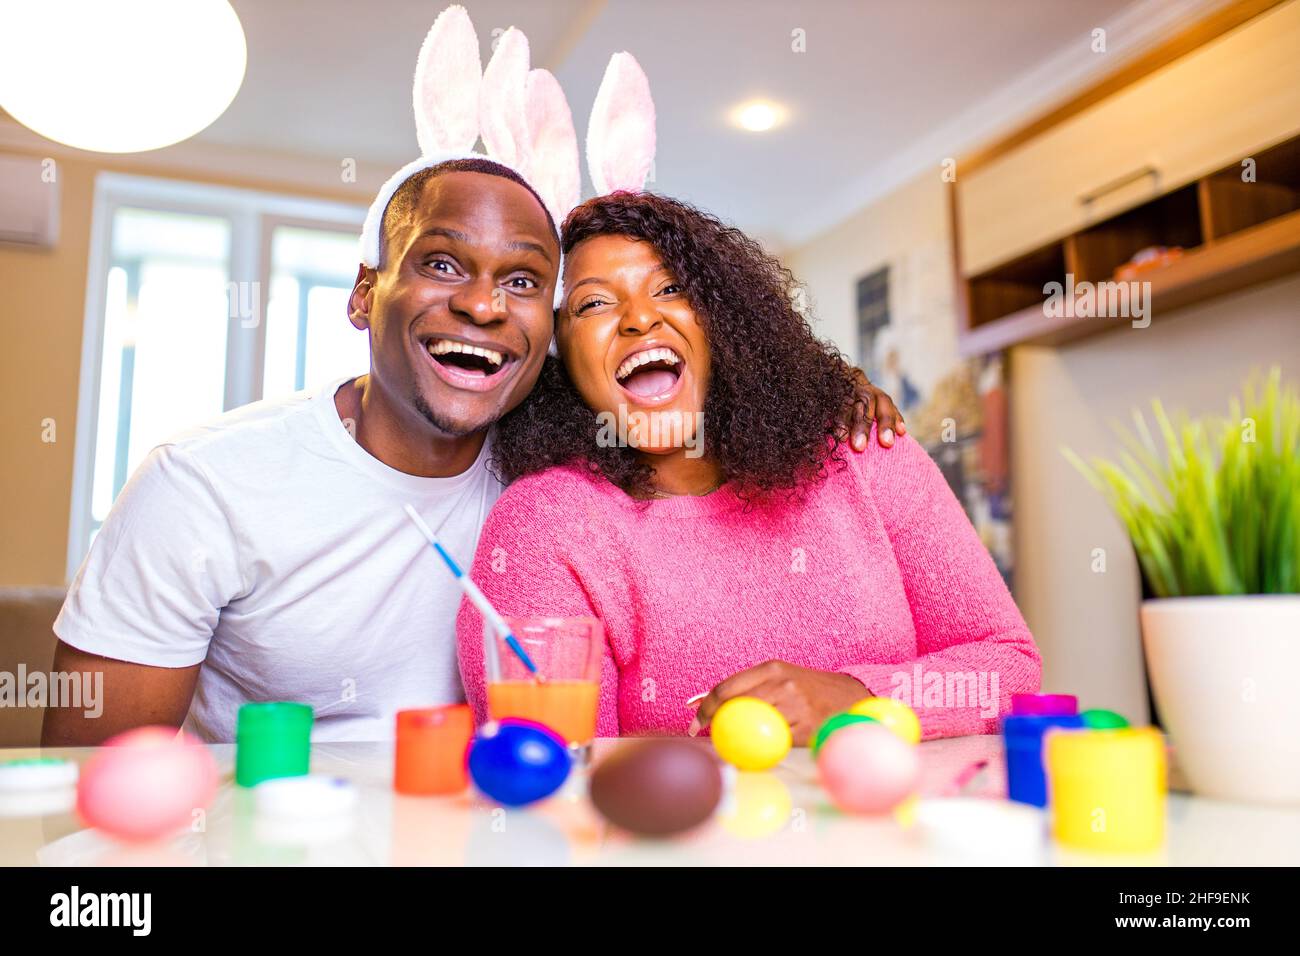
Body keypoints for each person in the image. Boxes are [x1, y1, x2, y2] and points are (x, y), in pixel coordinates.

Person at [42, 14, 901, 746]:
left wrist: (825, 393)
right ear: (363, 294)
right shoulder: (202, 487)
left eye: (525, 281)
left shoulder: (562, 477)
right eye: (445, 265)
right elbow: (95, 795)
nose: (486, 306)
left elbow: (689, 421)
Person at [457, 192, 1040, 744]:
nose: (639, 319)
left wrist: (856, 701)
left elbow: (1007, 668)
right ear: (560, 351)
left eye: (671, 288)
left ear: (723, 320)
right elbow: (564, 792)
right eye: (595, 303)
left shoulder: (862, 453)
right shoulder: (545, 527)